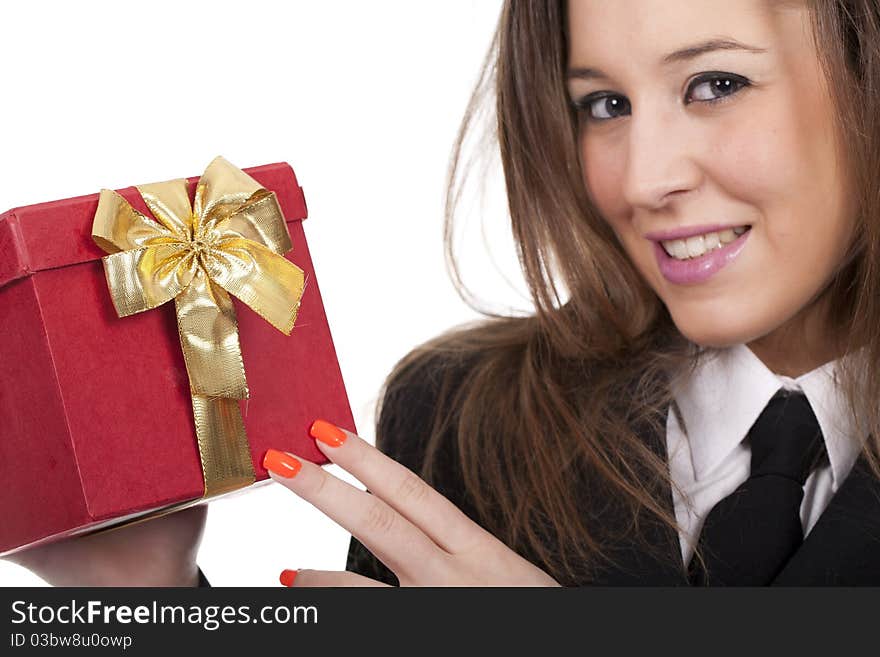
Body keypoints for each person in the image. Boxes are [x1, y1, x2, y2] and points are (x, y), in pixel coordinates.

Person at [7, 0, 880, 586]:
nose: (643, 179)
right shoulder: (462, 412)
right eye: (603, 104)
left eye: (715, 85)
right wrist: (147, 595)